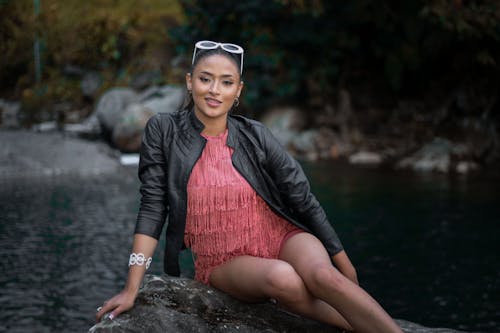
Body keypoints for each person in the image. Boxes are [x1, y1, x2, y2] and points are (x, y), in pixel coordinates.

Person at [96, 40, 403, 333]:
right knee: (285, 279)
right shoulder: (163, 131)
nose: (215, 90)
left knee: (326, 277)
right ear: (190, 82)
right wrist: (131, 287)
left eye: (226, 82)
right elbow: (152, 207)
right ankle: (359, 324)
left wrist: (346, 268)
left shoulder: (255, 134)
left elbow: (302, 197)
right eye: (206, 79)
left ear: (238, 90)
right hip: (223, 259)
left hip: (279, 233)